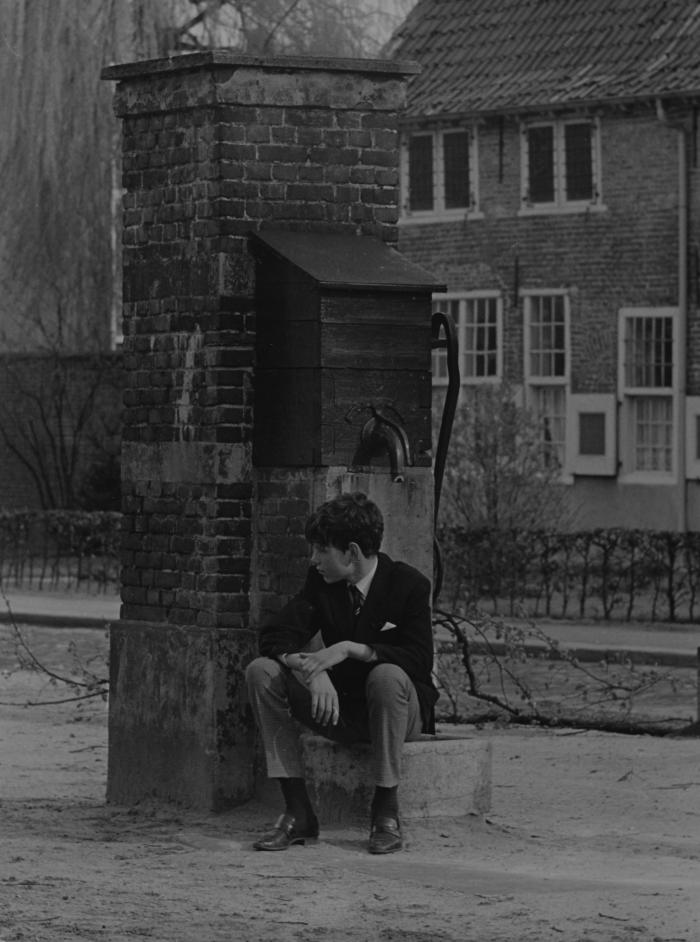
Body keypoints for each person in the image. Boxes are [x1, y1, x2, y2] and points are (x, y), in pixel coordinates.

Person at [245, 491, 438, 855]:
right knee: (262, 671)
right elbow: (274, 634)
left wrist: (351, 649)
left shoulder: (409, 585)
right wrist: (311, 668)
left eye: (321, 550)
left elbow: (418, 661)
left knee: (386, 676)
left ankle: (385, 812)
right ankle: (297, 811)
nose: (313, 559)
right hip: (340, 709)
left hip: (398, 710)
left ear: (351, 552)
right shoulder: (321, 583)